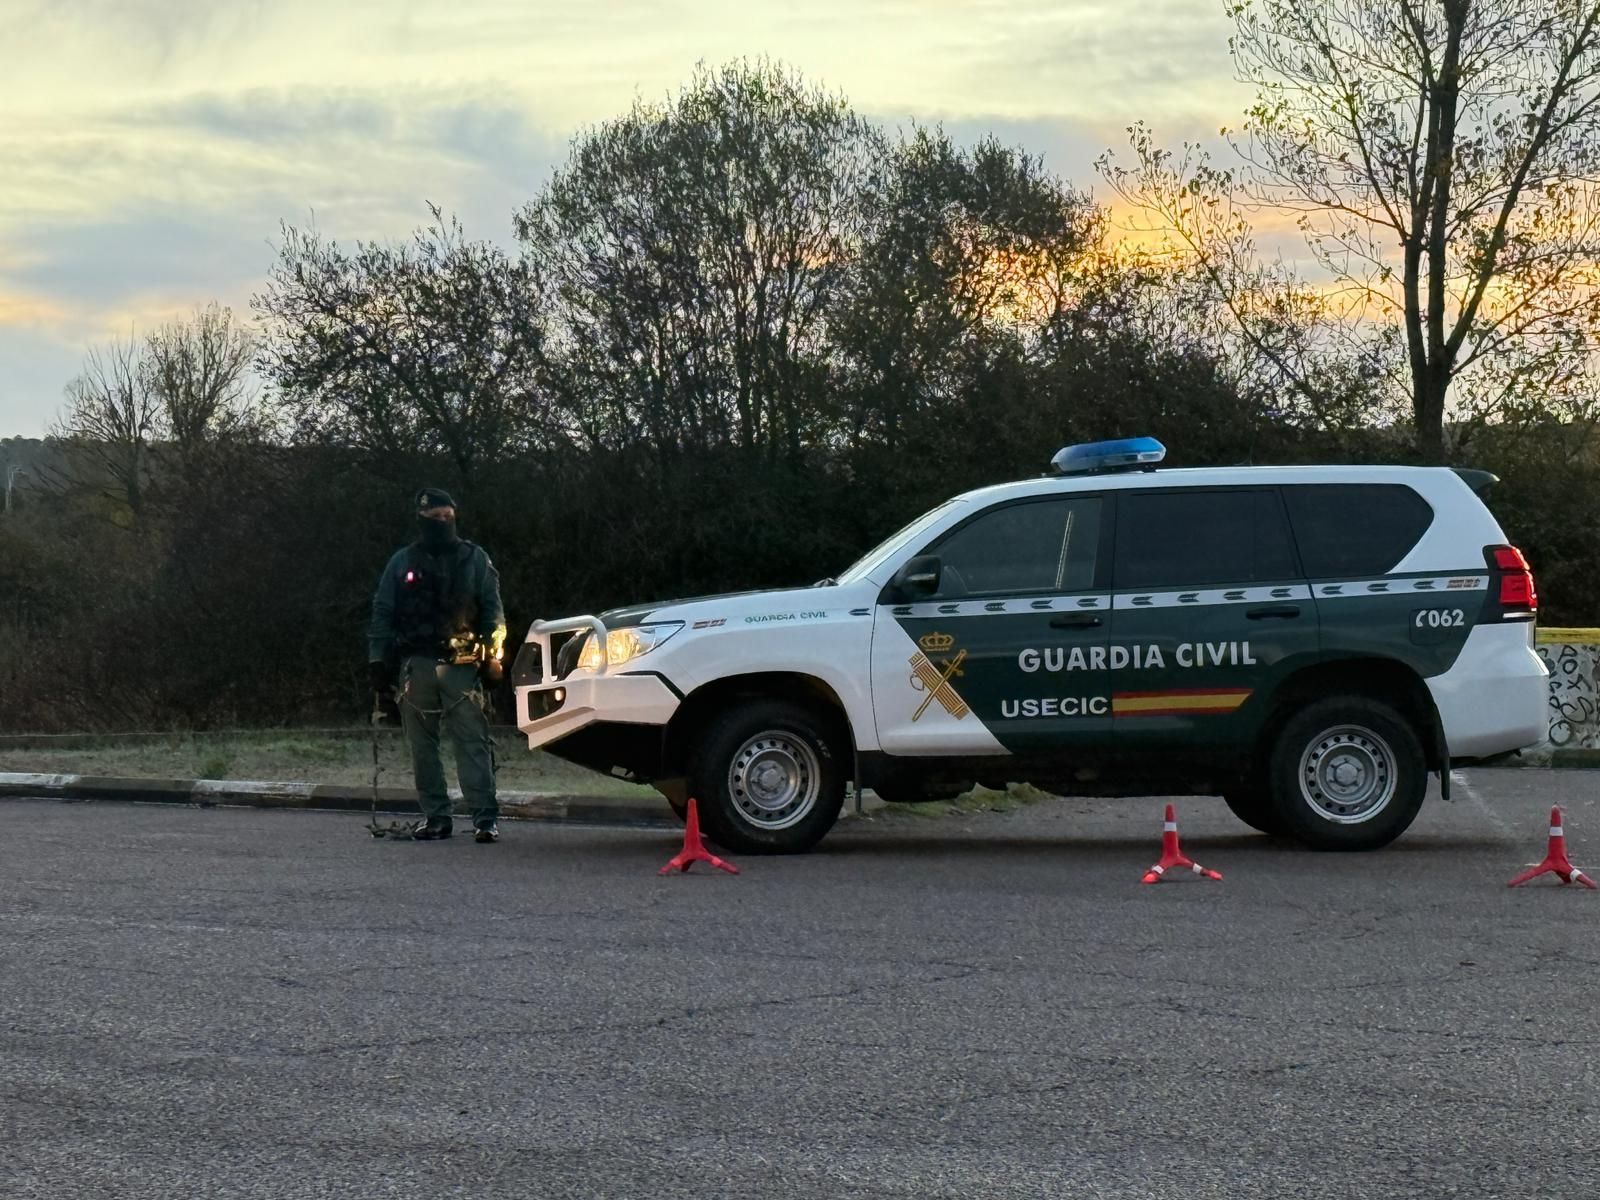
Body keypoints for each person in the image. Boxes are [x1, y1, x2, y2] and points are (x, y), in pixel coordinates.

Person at [367, 487, 508, 843]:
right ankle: (436, 818)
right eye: (435, 518)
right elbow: (383, 612)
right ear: (421, 519)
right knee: (422, 747)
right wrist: (377, 661)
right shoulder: (402, 562)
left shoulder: (475, 559)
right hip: (417, 664)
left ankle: (485, 819)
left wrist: (493, 657)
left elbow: (493, 611)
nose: (442, 522)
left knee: (473, 743)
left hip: (463, 664)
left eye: (447, 516)